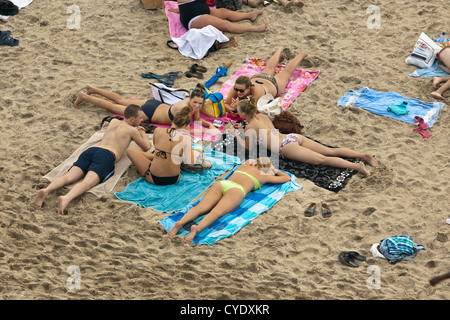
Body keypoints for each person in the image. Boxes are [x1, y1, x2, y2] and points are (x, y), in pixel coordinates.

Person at [33, 104, 152, 214]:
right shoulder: (132, 130)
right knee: (87, 182)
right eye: (140, 118)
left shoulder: (114, 121)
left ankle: (46, 190)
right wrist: (141, 133)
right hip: (107, 156)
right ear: (132, 119)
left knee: (68, 177)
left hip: (92, 151)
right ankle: (66, 198)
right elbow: (146, 147)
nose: (142, 121)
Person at [231, 97, 379, 176]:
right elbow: (262, 132)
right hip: (292, 137)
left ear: (243, 114)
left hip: (285, 147)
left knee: (321, 160)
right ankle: (364, 155)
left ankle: (356, 166)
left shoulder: (250, 127)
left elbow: (248, 147)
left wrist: (236, 135)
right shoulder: (261, 116)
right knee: (330, 151)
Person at [167, 157, 291, 242]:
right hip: (237, 190)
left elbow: (252, 160)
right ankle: (196, 229)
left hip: (223, 184)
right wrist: (274, 170)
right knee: (216, 213)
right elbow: (287, 178)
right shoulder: (265, 176)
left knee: (200, 207)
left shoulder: (246, 164)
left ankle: (180, 223)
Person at [74, 84, 219, 135]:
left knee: (121, 100)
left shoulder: (193, 103)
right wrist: (207, 130)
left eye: (200, 103)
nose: (197, 106)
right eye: (195, 103)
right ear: (190, 99)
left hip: (154, 104)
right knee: (114, 106)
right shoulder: (185, 109)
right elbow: (186, 131)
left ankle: (92, 89)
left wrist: (210, 124)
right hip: (149, 113)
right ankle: (85, 96)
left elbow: (198, 119)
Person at [126, 106, 195, 185]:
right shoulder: (186, 139)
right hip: (175, 178)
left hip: (155, 178)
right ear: (185, 125)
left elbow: (156, 147)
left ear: (173, 120)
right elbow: (190, 163)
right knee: (167, 155)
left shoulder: (158, 130)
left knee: (129, 150)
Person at [224, 47, 308, 112]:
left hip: (272, 84)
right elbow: (226, 104)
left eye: (241, 91)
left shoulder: (257, 94)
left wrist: (238, 108)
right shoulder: (238, 87)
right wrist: (232, 110)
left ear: (249, 88)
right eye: (236, 89)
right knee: (270, 68)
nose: (238, 92)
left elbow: (253, 113)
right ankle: (279, 50)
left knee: (286, 72)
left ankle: (302, 54)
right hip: (258, 78)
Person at [170, 0, 268, 34]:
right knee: (225, 24)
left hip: (200, 10)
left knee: (224, 12)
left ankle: (249, 15)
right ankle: (254, 29)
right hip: (193, 18)